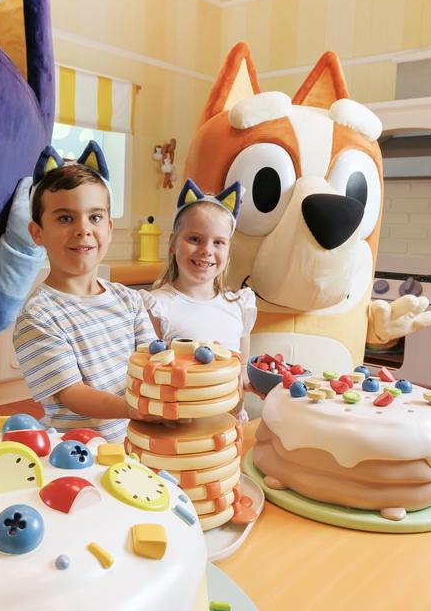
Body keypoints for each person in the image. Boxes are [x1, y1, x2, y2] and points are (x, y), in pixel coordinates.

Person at [13, 143, 158, 442]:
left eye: (94, 217)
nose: (83, 229)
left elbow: (152, 362)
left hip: (134, 446)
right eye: (65, 218)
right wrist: (136, 409)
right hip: (77, 456)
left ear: (109, 228)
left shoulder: (129, 301)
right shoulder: (38, 316)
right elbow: (72, 394)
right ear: (37, 232)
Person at [142, 179, 253, 419]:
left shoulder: (239, 305)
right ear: (173, 243)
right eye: (194, 239)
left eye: (218, 242)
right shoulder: (157, 306)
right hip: (177, 430)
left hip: (229, 428)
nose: (207, 250)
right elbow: (148, 374)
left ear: (228, 249)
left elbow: (242, 372)